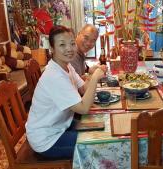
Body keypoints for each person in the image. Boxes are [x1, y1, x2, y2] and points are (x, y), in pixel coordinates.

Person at [25, 25, 107, 159]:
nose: (69, 49)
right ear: (52, 48)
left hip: (62, 125)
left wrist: (92, 76)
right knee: (97, 145)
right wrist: (95, 77)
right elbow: (83, 108)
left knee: (102, 128)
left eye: (72, 44)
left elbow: (84, 89)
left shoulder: (66, 66)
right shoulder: (54, 76)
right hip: (47, 139)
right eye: (62, 45)